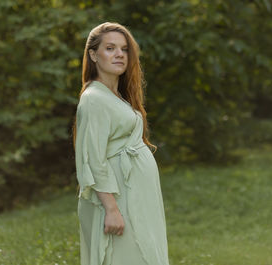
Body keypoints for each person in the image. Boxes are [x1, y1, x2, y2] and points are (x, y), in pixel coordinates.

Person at [73, 22, 170, 265]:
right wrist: (112, 209)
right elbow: (94, 159)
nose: (119, 54)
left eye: (124, 49)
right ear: (93, 55)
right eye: (110, 48)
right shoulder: (94, 98)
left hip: (136, 193)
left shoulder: (118, 96)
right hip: (117, 197)